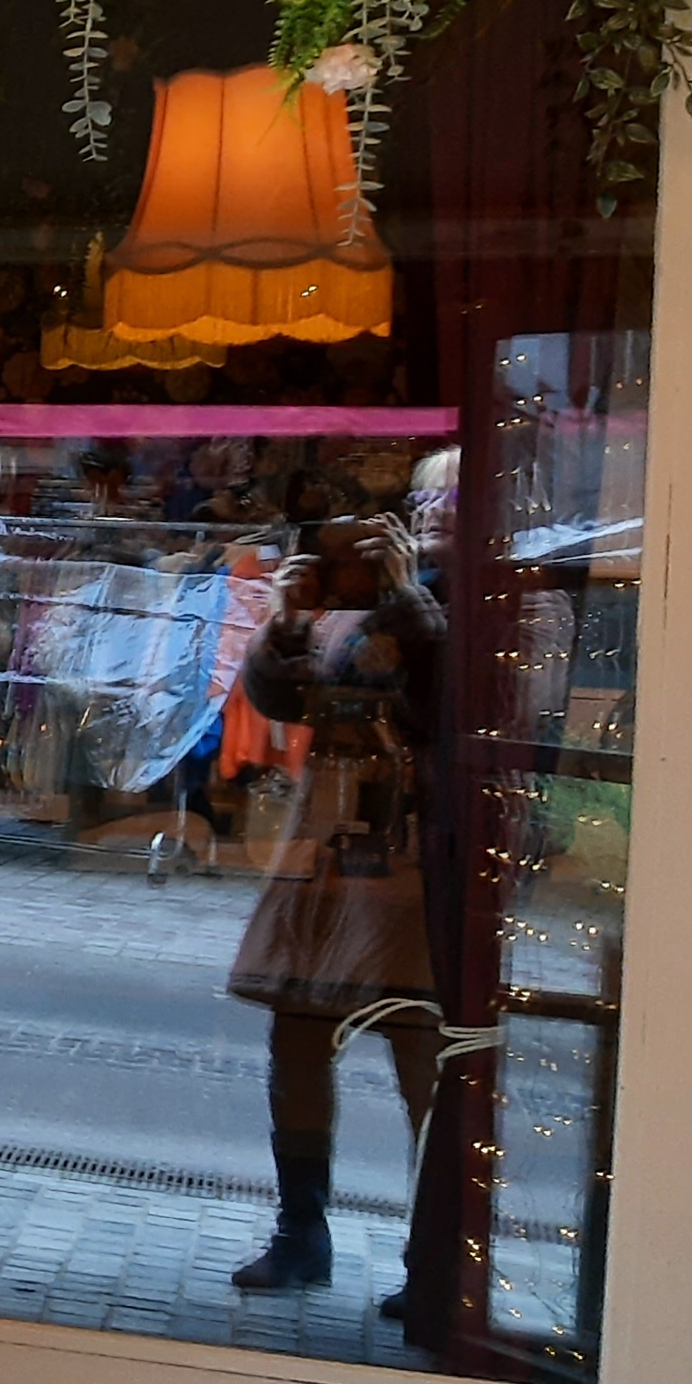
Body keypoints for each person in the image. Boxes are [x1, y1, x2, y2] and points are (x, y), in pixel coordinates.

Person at [222, 512, 447, 1294]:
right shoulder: (350, 609)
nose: (436, 515)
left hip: (414, 857)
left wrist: (409, 597)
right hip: (328, 848)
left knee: (422, 1049)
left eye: (451, 500)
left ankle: (434, 1261)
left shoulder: (472, 601)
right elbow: (283, 702)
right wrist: (288, 620)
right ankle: (301, 1232)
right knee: (297, 1040)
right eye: (426, 502)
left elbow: (454, 702)